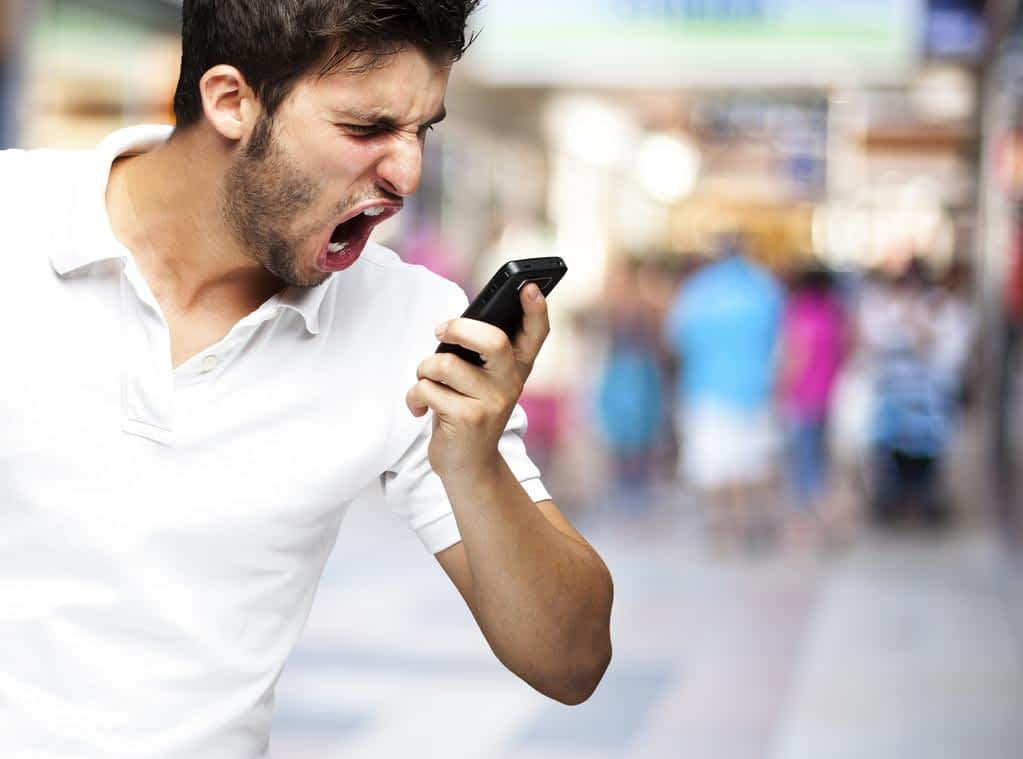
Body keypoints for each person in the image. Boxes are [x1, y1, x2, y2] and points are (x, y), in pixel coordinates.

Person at [0, 3, 613, 757]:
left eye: (421, 130)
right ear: (230, 100)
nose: (408, 172)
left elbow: (573, 659)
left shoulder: (409, 324)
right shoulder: (15, 221)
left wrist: (475, 462)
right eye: (366, 129)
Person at [664, 235, 784, 552]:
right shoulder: (763, 286)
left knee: (714, 467)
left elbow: (676, 338)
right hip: (755, 390)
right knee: (748, 464)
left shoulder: (699, 290)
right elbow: (782, 339)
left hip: (706, 391)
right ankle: (744, 526)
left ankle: (721, 530)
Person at [777, 266, 846, 545]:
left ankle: (813, 521)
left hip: (803, 397)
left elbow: (797, 356)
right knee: (817, 459)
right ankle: (824, 518)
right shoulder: (833, 315)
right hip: (827, 397)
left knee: (802, 464)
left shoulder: (801, 313)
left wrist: (781, 389)